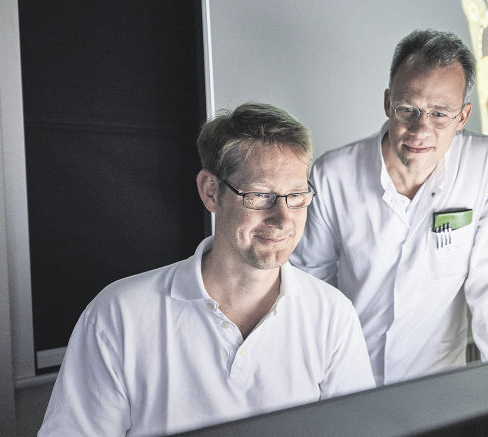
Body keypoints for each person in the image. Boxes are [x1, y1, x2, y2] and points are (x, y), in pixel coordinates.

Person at [39, 103, 375, 436]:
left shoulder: (333, 316)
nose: (283, 219)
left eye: (297, 196)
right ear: (210, 191)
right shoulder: (118, 315)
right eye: (260, 196)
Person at [291, 29, 488, 386]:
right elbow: (309, 288)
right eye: (409, 110)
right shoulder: (333, 174)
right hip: (352, 381)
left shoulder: (486, 165)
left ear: (463, 117)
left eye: (440, 114)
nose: (421, 131)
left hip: (439, 386)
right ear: (388, 103)